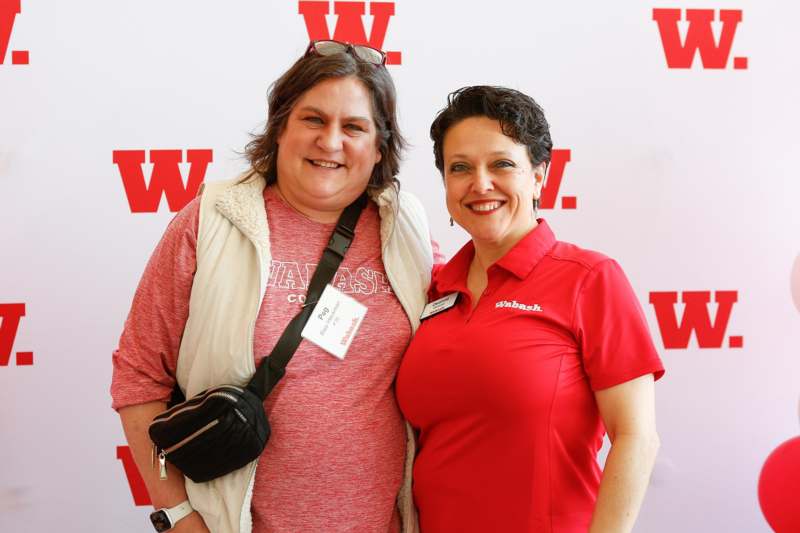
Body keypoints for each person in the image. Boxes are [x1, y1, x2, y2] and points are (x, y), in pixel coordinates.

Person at [111, 41, 436, 533]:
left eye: (354, 127)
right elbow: (138, 378)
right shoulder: (209, 224)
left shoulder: (405, 228)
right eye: (313, 119)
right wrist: (177, 514)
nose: (331, 142)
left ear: (379, 146)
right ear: (280, 126)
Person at [396, 86, 665, 533]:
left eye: (502, 164)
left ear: (539, 174)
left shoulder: (589, 278)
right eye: (460, 167)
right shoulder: (434, 288)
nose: (480, 184)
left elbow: (636, 438)